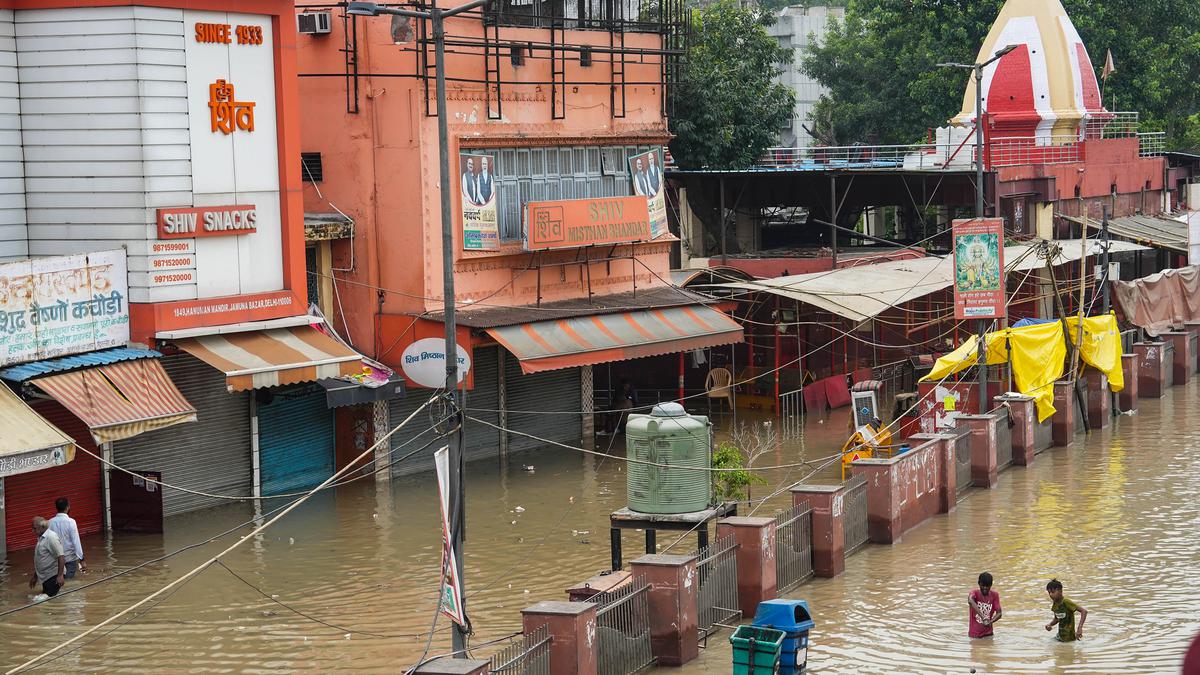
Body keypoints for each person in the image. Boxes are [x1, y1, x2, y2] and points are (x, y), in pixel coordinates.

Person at [47, 497, 85, 579]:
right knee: (69, 583)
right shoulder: (71, 522)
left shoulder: (50, 522)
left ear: (56, 508)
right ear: (67, 507)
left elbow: (48, 542)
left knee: (58, 583)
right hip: (69, 559)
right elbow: (76, 542)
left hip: (55, 560)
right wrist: (82, 559)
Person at [28, 516, 65, 598]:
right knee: (48, 598)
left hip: (53, 576)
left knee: (41, 600)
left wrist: (60, 575)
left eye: (34, 528)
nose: (32, 531)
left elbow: (61, 556)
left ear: (42, 527)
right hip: (46, 577)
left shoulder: (51, 537)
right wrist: (35, 577)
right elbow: (40, 559)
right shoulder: (41, 538)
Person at [968, 571, 1002, 638]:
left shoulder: (995, 595)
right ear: (979, 584)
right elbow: (970, 600)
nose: (985, 588)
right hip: (975, 635)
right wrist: (983, 617)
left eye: (987, 586)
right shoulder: (974, 593)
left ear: (991, 585)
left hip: (989, 634)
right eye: (983, 585)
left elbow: (999, 613)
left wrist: (990, 622)